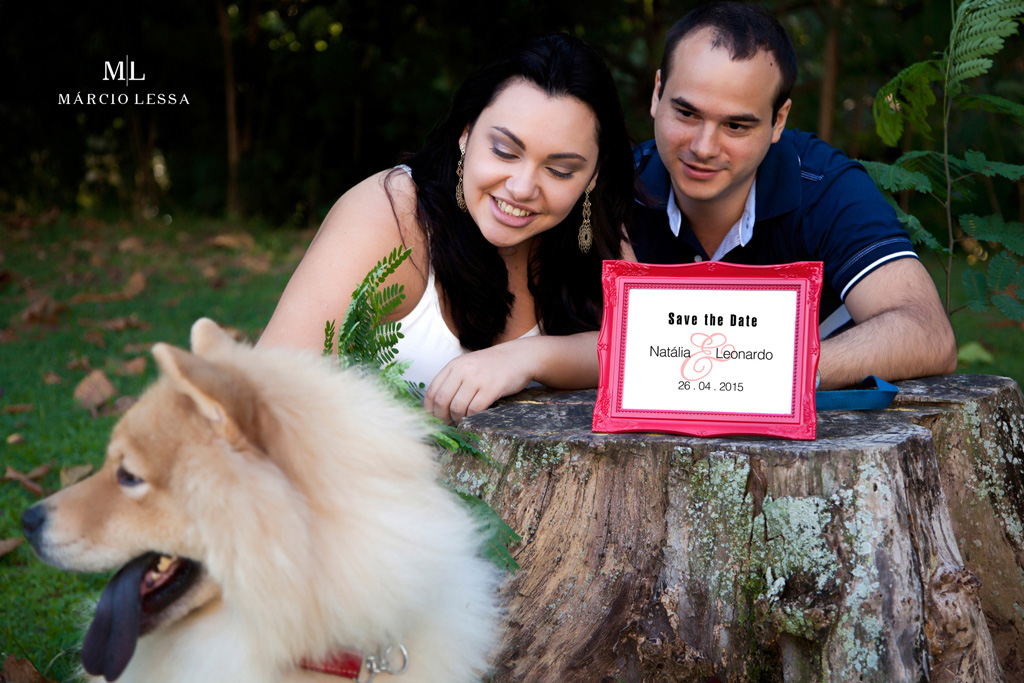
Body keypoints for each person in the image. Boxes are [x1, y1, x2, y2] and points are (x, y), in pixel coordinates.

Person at [260, 33, 635, 423]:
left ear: (593, 175)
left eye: (559, 170)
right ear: (466, 133)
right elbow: (268, 387)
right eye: (504, 151)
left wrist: (529, 357)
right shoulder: (392, 214)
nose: (523, 188)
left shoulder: (595, 228)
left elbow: (641, 349)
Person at [631, 2, 957, 390]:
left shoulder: (825, 186)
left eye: (735, 126)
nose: (703, 147)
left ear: (778, 121)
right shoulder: (613, 190)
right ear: (658, 94)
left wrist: (755, 371)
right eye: (687, 114)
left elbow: (928, 333)